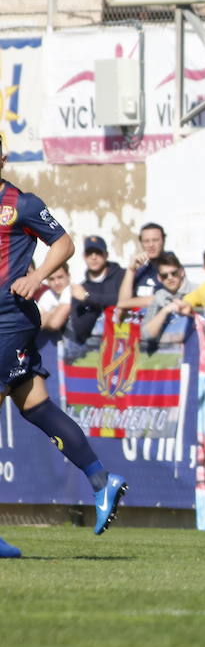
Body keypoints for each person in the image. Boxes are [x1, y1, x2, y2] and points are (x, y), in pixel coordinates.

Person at [0, 161, 127, 535]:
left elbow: (64, 243)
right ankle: (102, 481)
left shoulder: (20, 203)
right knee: (36, 406)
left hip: (8, 320)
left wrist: (37, 276)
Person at [67, 235, 125, 344]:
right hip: (97, 348)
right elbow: (80, 330)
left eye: (98, 252)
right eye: (89, 253)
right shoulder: (81, 289)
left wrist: (89, 298)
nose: (94, 257)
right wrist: (96, 305)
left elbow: (123, 301)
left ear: (106, 255)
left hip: (125, 339)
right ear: (84, 256)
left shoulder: (122, 276)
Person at [140, 252, 191, 350]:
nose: (170, 278)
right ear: (159, 278)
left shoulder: (197, 290)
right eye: (164, 276)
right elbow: (145, 335)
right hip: (169, 358)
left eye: (174, 273)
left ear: (182, 272)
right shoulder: (159, 296)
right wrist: (165, 310)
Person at [116, 222, 168, 311]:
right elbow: (122, 300)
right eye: (146, 241)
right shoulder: (140, 268)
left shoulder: (171, 264)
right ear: (141, 243)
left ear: (163, 241)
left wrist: (126, 303)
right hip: (137, 322)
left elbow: (162, 299)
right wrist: (131, 270)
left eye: (155, 240)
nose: (151, 245)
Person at [37, 262, 73, 336]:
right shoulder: (48, 294)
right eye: (52, 279)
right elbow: (37, 323)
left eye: (60, 277)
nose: (56, 282)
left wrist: (48, 314)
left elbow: (54, 324)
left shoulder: (71, 290)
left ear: (68, 276)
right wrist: (54, 312)